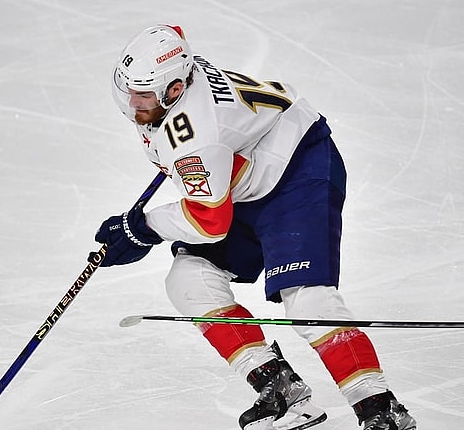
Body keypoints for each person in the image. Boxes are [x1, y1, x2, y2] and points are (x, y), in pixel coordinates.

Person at [92, 24, 418, 430]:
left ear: (174, 90)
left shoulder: (195, 135)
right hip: (244, 178)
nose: (131, 102)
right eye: (128, 90)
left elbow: (208, 221)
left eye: (142, 95)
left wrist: (143, 228)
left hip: (297, 170)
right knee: (189, 281)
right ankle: (279, 388)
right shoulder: (178, 83)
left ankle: (381, 409)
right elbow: (173, 34)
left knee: (308, 301)